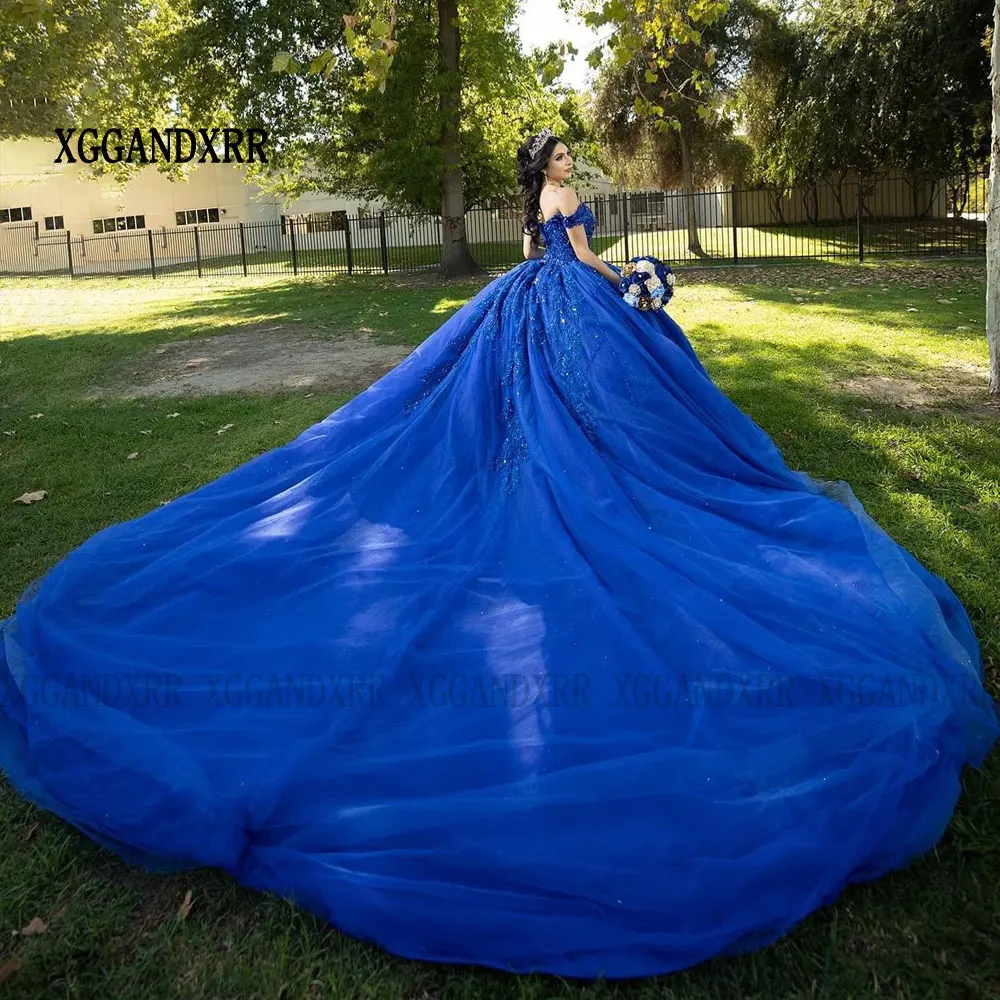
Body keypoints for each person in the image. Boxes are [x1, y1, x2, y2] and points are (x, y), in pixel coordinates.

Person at [0, 128, 996, 980]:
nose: (569, 163)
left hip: (526, 301)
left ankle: (546, 465)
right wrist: (641, 283)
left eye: (566, 154)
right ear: (547, 168)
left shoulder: (537, 205)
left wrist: (594, 272)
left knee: (530, 419)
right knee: (581, 419)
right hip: (569, 304)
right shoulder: (565, 202)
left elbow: (535, 249)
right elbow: (580, 259)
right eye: (560, 154)